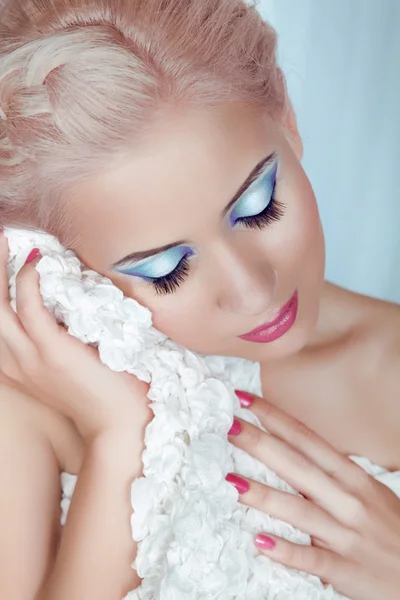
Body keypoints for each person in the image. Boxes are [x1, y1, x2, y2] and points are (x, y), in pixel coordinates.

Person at [0, 0, 399, 598]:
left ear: (286, 117)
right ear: (47, 262)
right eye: (166, 270)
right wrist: (122, 438)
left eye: (259, 205)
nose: (253, 290)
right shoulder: (28, 410)